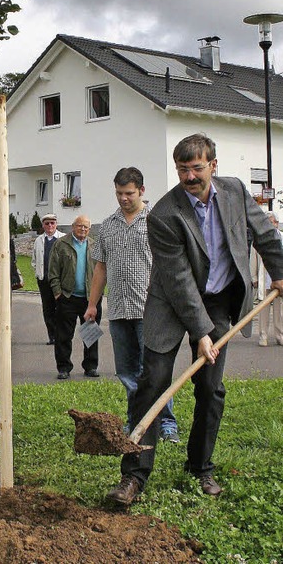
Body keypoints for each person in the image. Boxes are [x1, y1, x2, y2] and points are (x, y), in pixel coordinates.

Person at [106, 134, 283, 506]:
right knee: (151, 381)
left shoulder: (234, 191)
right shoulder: (166, 214)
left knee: (211, 387)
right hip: (170, 302)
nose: (189, 176)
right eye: (183, 169)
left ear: (213, 166)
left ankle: (200, 466)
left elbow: (265, 235)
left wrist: (278, 272)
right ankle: (134, 475)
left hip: (220, 300)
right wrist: (201, 332)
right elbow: (179, 279)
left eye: (197, 168)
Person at [85, 167, 179, 442]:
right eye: (119, 193)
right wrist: (92, 304)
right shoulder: (108, 225)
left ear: (142, 191)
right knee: (126, 372)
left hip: (151, 311)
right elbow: (100, 268)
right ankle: (136, 420)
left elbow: (169, 265)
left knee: (154, 372)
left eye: (129, 193)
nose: (123, 198)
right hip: (118, 311)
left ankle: (166, 424)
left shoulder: (157, 221)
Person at [48, 215, 101, 378]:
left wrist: (97, 294)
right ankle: (64, 368)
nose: (83, 229)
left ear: (89, 229)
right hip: (68, 297)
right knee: (64, 335)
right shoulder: (61, 244)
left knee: (91, 334)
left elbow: (102, 270)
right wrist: (58, 294)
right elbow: (53, 272)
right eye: (80, 226)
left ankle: (90, 366)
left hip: (90, 299)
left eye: (86, 227)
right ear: (73, 227)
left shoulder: (94, 245)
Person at [250, 211, 283, 346]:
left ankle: (280, 335)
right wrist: (254, 277)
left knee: (279, 311)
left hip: (280, 281)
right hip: (265, 280)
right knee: (263, 309)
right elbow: (253, 260)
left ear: (276, 223)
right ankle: (263, 336)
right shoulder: (260, 239)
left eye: (272, 222)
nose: (270, 225)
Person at [31, 213, 65, 344]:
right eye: (47, 223)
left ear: (56, 224)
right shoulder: (39, 240)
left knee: (61, 308)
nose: (50, 226)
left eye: (52, 223)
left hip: (60, 281)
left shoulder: (63, 238)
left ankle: (62, 335)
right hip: (44, 281)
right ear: (43, 225)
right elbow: (34, 260)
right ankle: (52, 336)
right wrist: (39, 274)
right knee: (48, 309)